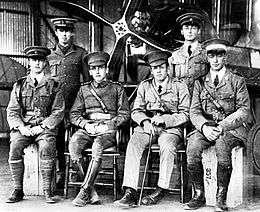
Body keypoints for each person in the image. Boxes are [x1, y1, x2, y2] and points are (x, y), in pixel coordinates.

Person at [114, 50, 190, 207]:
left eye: (162, 67)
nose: (159, 71)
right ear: (151, 70)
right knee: (134, 144)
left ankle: (161, 188)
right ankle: (130, 191)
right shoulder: (144, 86)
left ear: (167, 68)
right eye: (155, 68)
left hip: (170, 128)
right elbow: (136, 111)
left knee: (167, 146)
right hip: (147, 126)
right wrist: (145, 122)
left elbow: (185, 114)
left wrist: (165, 120)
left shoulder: (179, 86)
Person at [185, 38, 250, 211]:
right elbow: (194, 111)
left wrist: (222, 126)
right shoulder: (200, 83)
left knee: (222, 145)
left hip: (231, 128)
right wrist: (205, 127)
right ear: (207, 57)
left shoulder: (237, 81)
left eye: (219, 55)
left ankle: (221, 197)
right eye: (211, 55)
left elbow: (244, 110)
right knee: (192, 147)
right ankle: (199, 194)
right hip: (207, 126)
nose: (215, 60)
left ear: (225, 57)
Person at [69, 51, 130, 207]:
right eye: (93, 68)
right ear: (89, 71)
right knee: (74, 143)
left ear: (106, 70)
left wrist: (109, 125)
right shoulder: (84, 90)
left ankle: (84, 191)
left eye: (100, 68)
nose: (97, 72)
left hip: (108, 130)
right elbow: (74, 114)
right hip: (89, 127)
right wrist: (86, 125)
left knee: (97, 146)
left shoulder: (117, 88)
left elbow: (125, 114)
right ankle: (92, 190)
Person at [6, 46, 65, 204]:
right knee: (14, 148)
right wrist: (21, 127)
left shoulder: (54, 85)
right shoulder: (19, 85)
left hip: (44, 128)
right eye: (34, 60)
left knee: (47, 147)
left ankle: (47, 190)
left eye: (40, 60)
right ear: (29, 62)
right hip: (25, 126)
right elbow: (12, 111)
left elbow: (58, 112)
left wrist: (43, 127)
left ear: (45, 62)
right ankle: (18, 189)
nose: (37, 63)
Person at [48, 17, 89, 189]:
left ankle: (83, 171)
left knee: (79, 137)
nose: (64, 34)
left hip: (75, 106)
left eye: (67, 31)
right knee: (57, 140)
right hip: (55, 107)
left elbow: (87, 81)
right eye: (61, 31)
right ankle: (60, 173)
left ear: (72, 32)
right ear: (56, 32)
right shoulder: (49, 55)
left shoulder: (81, 54)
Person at [169, 12, 208, 95]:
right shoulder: (175, 55)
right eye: (186, 28)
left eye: (193, 28)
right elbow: (172, 82)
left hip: (201, 98)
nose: (189, 31)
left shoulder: (206, 53)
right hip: (181, 99)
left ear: (199, 31)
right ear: (182, 31)